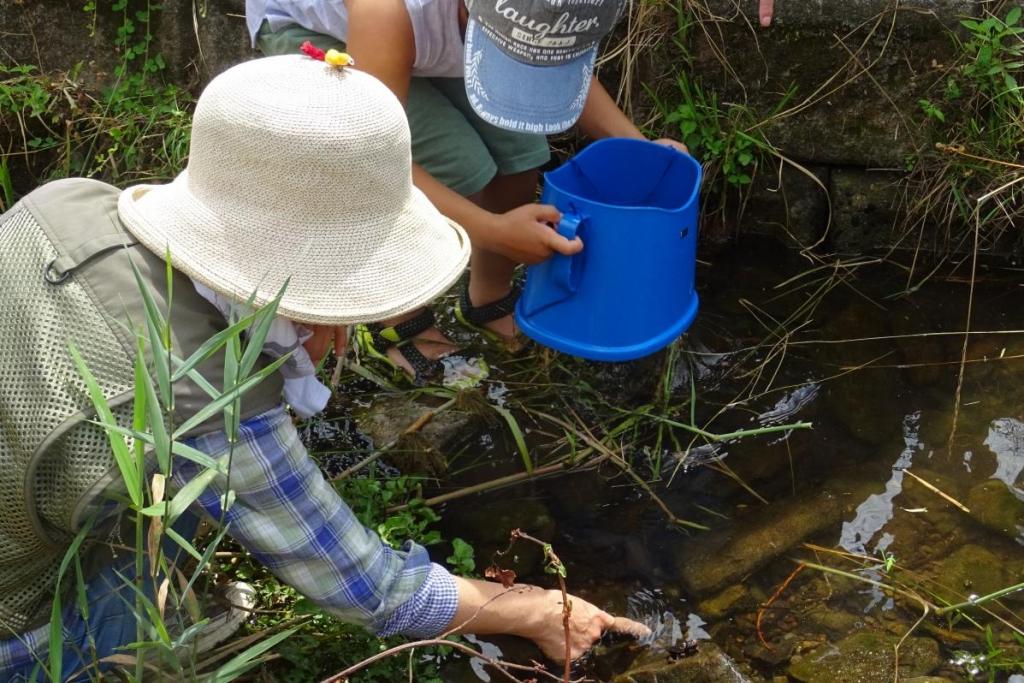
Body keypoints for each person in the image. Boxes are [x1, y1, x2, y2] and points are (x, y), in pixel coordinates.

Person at [0, 55, 648, 682]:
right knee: (166, 511)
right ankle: (116, 641)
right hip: (16, 626)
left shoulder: (67, 204)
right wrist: (533, 608)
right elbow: (377, 591)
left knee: (149, 479)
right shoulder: (206, 404)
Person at [246, 0, 691, 382]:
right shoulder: (388, 10)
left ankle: (488, 294)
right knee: (458, 166)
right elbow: (372, 158)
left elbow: (557, 61)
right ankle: (397, 317)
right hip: (324, 30)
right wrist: (493, 230)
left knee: (520, 150)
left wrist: (641, 150)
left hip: (435, 35)